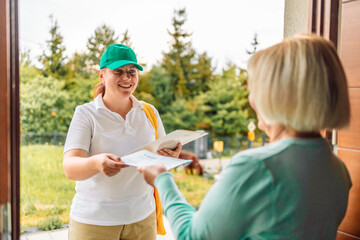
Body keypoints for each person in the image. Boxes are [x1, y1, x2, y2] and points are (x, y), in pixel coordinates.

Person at [137, 34, 353, 240]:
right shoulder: (338, 170)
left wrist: (162, 179)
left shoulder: (258, 167)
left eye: (256, 89)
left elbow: (193, 236)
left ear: (278, 97)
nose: (251, 99)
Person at [63, 44, 181, 240]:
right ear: (102, 75)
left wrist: (170, 157)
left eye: (132, 72)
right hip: (94, 222)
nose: (127, 78)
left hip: (142, 219)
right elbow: (70, 167)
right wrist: (96, 163)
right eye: (118, 71)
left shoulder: (149, 112)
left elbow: (159, 160)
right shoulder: (86, 114)